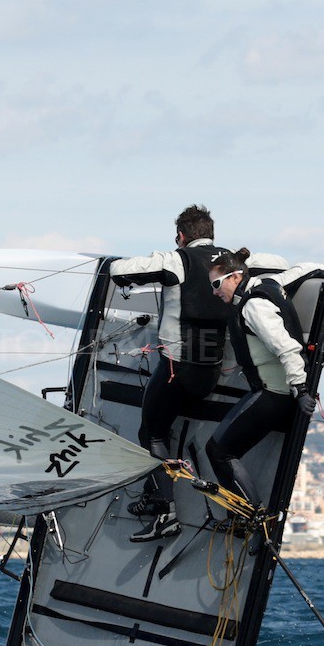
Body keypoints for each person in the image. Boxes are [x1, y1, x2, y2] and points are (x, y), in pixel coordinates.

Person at [107, 204, 233, 541]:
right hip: (211, 371)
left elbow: (119, 269)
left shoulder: (178, 259)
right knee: (165, 426)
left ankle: (166, 511)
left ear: (181, 236)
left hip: (178, 367)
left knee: (152, 434)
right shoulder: (232, 264)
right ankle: (156, 496)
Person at [203, 249, 324, 509]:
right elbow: (307, 267)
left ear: (235, 278)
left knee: (218, 452)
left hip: (274, 395)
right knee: (221, 449)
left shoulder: (254, 306)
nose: (214, 293)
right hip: (276, 394)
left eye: (217, 284)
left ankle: (249, 513)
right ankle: (248, 512)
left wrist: (301, 390)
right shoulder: (268, 285)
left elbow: (287, 348)